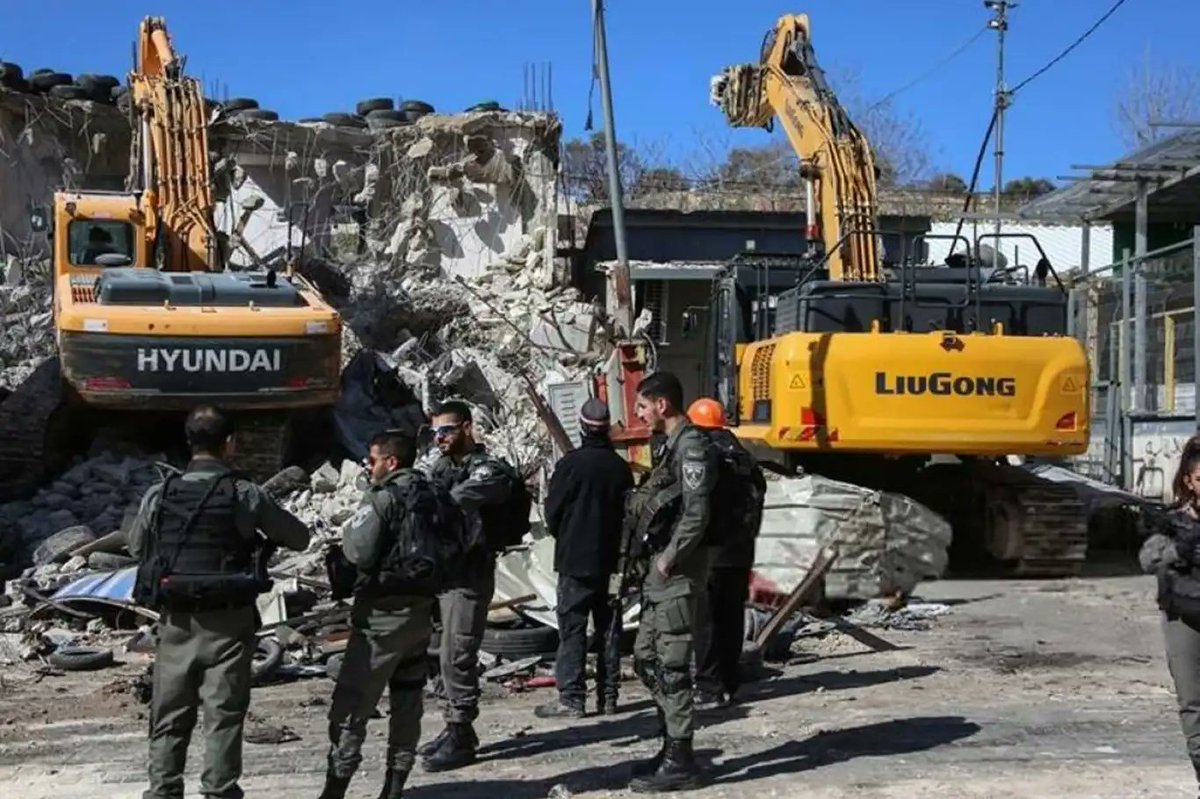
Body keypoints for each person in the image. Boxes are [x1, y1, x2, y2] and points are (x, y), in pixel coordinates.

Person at [128, 406, 310, 799]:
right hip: (229, 621)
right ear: (230, 444)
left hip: (175, 621)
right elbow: (299, 538)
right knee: (224, 715)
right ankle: (219, 791)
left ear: (189, 442)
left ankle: (162, 791)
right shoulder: (244, 493)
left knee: (168, 716)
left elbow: (136, 545)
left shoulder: (161, 493)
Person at [318, 430, 457, 799]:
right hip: (422, 614)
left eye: (374, 458)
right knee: (407, 701)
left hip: (381, 618)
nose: (369, 464)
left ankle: (335, 790)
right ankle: (394, 788)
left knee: (351, 706)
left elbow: (358, 551)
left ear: (391, 462)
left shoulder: (382, 497)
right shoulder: (434, 493)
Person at [625, 372, 717, 792]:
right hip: (661, 579)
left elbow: (697, 515)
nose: (639, 414)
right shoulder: (669, 447)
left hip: (679, 575)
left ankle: (681, 759)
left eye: (643, 406)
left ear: (662, 405)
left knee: (674, 668)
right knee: (645, 657)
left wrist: (667, 560)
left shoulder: (693, 447)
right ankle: (671, 745)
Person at [419, 400, 519, 772]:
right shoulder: (442, 467)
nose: (439, 438)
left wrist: (429, 504)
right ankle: (453, 725)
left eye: (445, 430)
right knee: (436, 652)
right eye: (434, 433)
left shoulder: (487, 470)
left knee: (457, 654)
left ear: (466, 427)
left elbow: (459, 499)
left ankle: (461, 732)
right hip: (442, 574)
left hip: (469, 575)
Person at [536, 397, 633, 719]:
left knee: (573, 628)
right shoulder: (620, 469)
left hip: (575, 561)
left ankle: (572, 699)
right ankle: (609, 697)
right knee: (609, 629)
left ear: (581, 427)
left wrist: (565, 535)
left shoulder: (570, 465)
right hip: (611, 562)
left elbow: (553, 513)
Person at [687, 397, 766, 710]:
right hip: (741, 550)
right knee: (731, 617)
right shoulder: (744, 458)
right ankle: (729, 683)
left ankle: (707, 686)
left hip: (712, 552)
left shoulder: (706, 455)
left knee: (705, 621)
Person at [1141, 435, 1200, 796]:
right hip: (1185, 621)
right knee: (1193, 705)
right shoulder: (1172, 522)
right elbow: (1147, 559)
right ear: (1189, 481)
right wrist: (1179, 547)